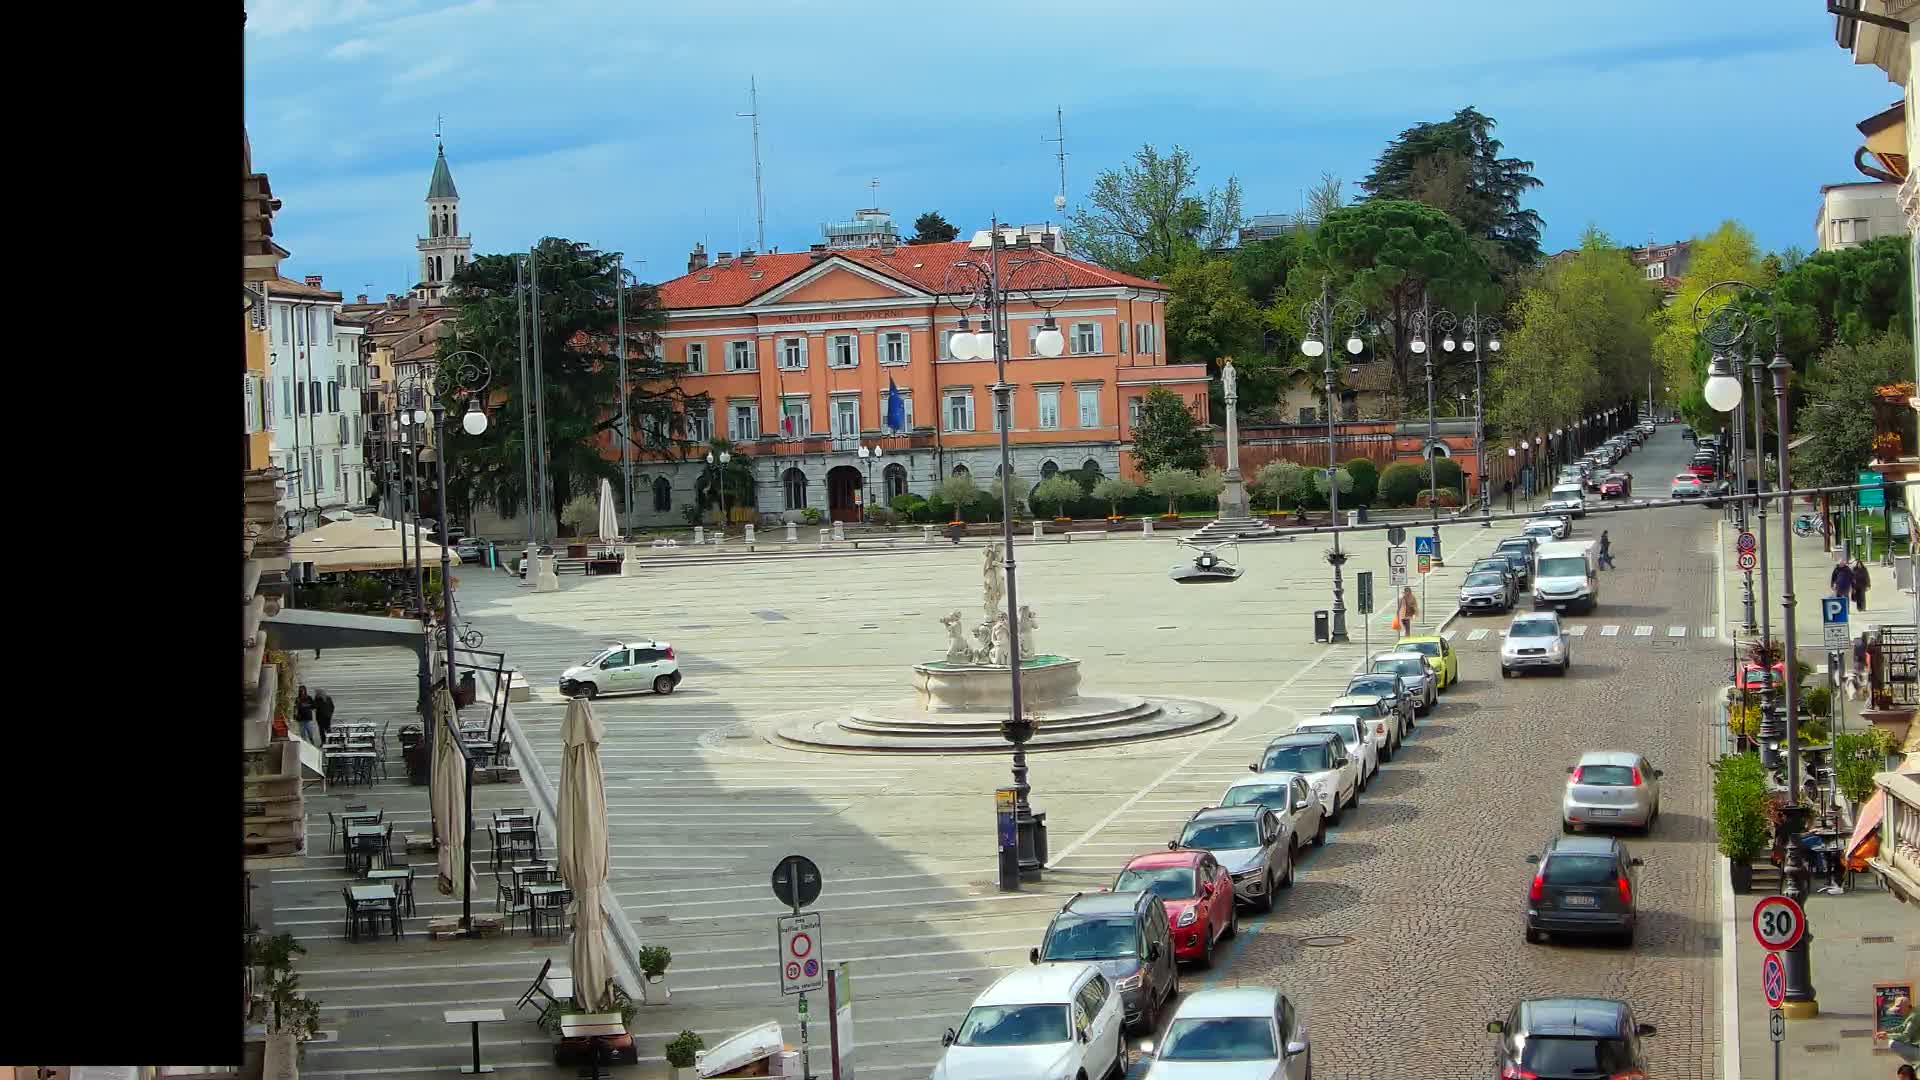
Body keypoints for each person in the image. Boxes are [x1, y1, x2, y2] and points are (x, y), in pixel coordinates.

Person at [1890, 995, 1920, 1062]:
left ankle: (1915, 1063)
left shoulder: (1913, 1017)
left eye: (1898, 1011)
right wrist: (1887, 1031)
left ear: (1905, 1008)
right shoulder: (1913, 1011)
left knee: (1893, 1043)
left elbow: (1905, 1036)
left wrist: (1887, 1036)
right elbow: (1903, 1027)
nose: (1897, 1013)